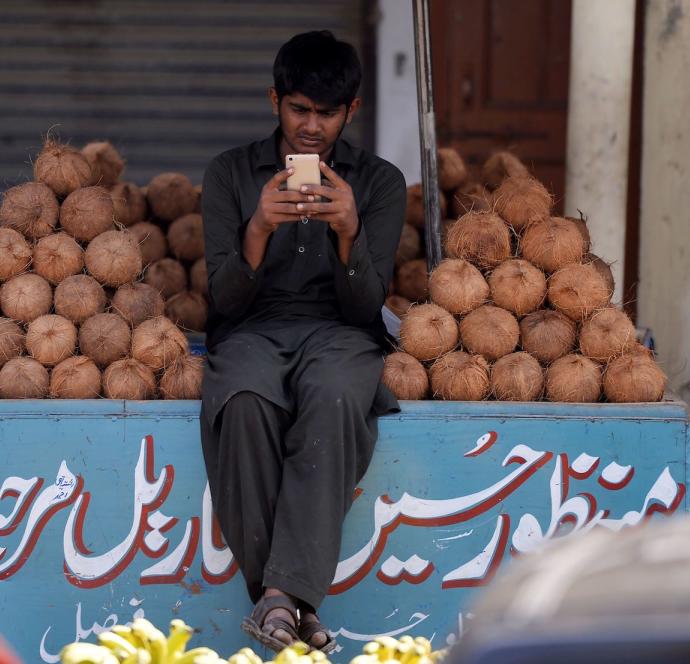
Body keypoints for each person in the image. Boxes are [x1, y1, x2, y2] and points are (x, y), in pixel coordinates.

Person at [199, 30, 406, 653]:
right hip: (252, 329)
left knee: (338, 398)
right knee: (241, 402)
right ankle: (293, 602)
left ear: (352, 112)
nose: (311, 127)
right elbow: (224, 301)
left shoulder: (379, 183)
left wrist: (349, 234)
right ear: (274, 101)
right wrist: (258, 227)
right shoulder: (230, 174)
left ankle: (278, 602)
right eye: (299, 110)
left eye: (327, 113)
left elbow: (367, 306)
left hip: (341, 333)